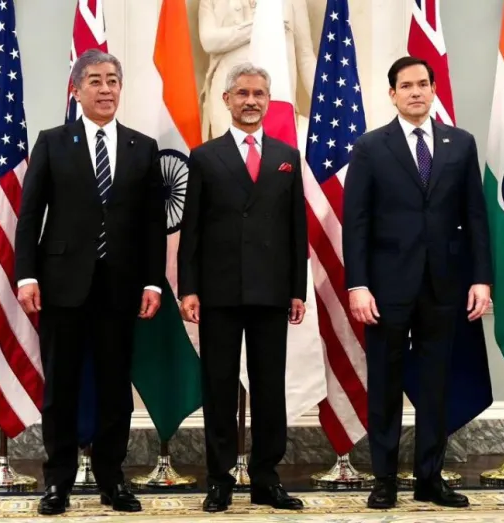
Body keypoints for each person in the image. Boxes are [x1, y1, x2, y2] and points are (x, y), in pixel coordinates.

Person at [14, 49, 166, 516]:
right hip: (61, 284)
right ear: (76, 90)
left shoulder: (143, 147)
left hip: (120, 287)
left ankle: (111, 479)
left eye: (112, 80)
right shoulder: (53, 142)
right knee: (61, 387)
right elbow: (30, 215)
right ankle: (57, 482)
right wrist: (26, 275)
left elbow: (152, 224)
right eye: (95, 81)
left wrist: (153, 283)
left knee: (115, 388)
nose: (105, 89)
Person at [342, 56, 492, 510]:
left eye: (423, 84)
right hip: (386, 287)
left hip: (445, 285)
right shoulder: (370, 147)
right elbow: (356, 223)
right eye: (406, 86)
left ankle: (429, 478)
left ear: (433, 90)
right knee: (385, 383)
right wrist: (357, 285)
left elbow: (475, 217)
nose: (416, 92)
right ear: (392, 94)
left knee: (436, 385)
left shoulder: (460, 144)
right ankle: (385, 479)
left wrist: (481, 279)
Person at [177, 62, 307, 513]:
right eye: (243, 93)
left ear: (268, 100)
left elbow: (296, 230)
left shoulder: (286, 155)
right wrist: (188, 288)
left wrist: (297, 289)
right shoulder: (204, 156)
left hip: (272, 292)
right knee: (218, 388)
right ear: (227, 99)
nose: (251, 101)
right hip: (219, 293)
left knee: (270, 388)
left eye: (259, 93)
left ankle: (266, 478)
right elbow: (191, 230)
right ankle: (219, 480)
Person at [197, 0, 316, 139]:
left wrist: (328, 104)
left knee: (276, 150)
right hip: (228, 95)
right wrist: (261, 25)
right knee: (228, 150)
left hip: (276, 94)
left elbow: (305, 57)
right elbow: (209, 42)